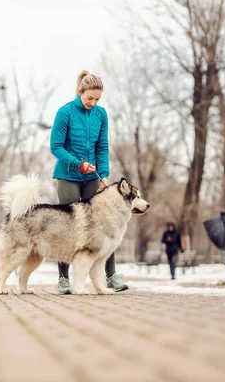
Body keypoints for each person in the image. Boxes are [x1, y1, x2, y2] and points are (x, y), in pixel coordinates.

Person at [50, 71, 128, 294]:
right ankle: (64, 279)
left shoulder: (101, 115)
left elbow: (102, 147)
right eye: (89, 99)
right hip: (68, 176)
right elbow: (56, 147)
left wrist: (103, 174)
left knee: (106, 224)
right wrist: (78, 164)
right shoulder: (65, 112)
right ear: (80, 92)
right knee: (67, 226)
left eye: (97, 100)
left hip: (92, 178)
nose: (93, 103)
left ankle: (111, 276)